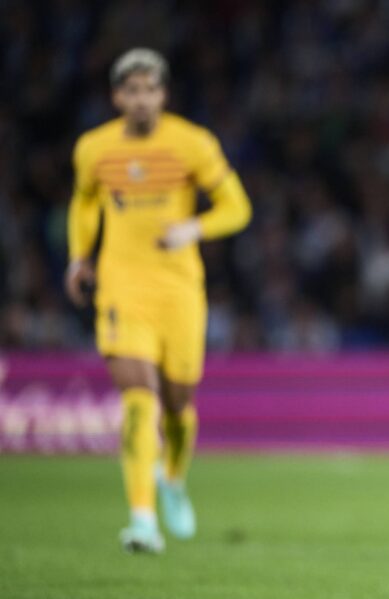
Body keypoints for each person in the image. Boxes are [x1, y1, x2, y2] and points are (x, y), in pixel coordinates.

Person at [65, 48, 252, 553]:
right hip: (121, 286)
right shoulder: (94, 149)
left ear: (162, 94)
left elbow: (238, 207)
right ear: (117, 96)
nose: (142, 99)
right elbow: (84, 202)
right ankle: (142, 520)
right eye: (132, 90)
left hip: (178, 290)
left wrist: (195, 226)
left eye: (150, 89)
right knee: (138, 397)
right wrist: (79, 256)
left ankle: (172, 479)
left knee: (177, 405)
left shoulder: (191, 144)